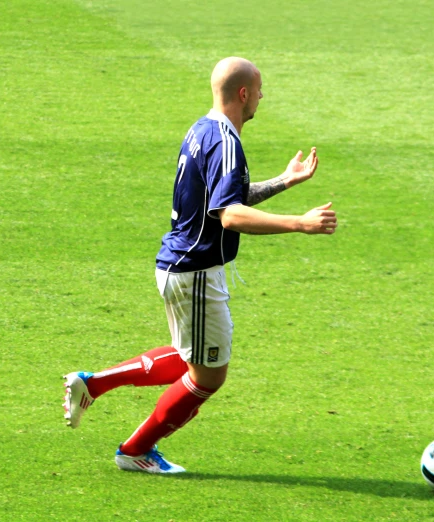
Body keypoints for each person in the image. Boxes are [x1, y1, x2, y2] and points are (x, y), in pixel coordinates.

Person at [62, 57, 337, 473]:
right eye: (260, 89)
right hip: (195, 273)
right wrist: (300, 222)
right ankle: (135, 450)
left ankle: (94, 384)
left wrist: (284, 181)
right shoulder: (227, 142)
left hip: (179, 265)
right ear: (243, 94)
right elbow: (230, 214)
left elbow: (225, 200)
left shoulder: (202, 130)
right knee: (209, 377)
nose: (262, 96)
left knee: (191, 355)